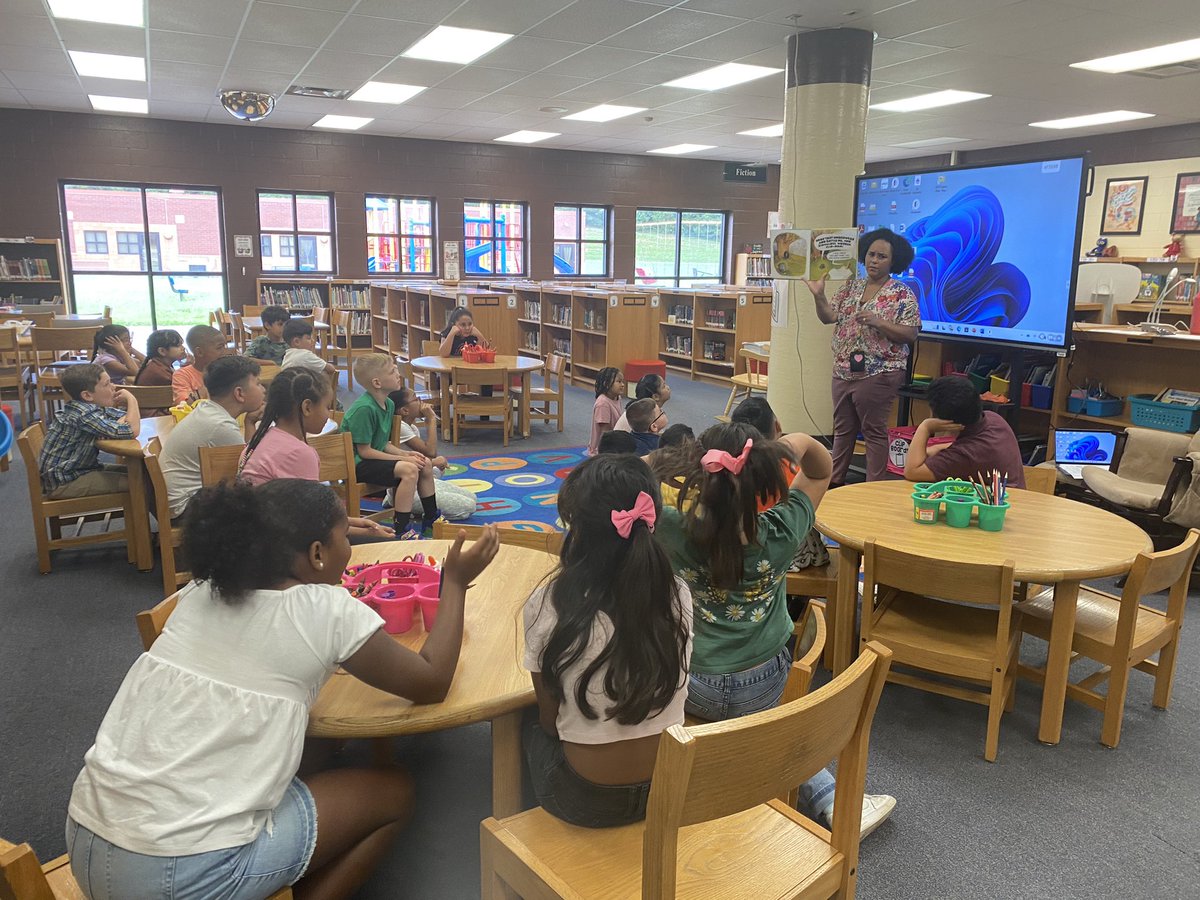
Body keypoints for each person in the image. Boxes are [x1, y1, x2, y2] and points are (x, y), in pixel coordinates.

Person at [65, 478, 500, 900]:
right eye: (343, 535)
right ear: (316, 554)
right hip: (179, 872)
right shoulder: (322, 609)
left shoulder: (199, 593)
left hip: (84, 838)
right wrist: (455, 582)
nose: (349, 547)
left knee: (318, 753)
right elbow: (431, 682)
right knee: (395, 792)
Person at [655, 422, 896, 838]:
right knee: (775, 723)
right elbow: (821, 471)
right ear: (766, 477)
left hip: (690, 682)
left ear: (700, 475)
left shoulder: (672, 528)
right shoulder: (784, 530)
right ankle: (831, 799)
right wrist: (799, 440)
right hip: (762, 684)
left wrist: (670, 458)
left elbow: (618, 482)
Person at [523, 455, 691, 827]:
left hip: (584, 800)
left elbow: (550, 723)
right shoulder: (678, 593)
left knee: (526, 726)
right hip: (669, 787)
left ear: (576, 529)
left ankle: (538, 836)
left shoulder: (548, 603)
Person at [806, 227, 921, 483]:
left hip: (880, 372)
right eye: (871, 254)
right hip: (843, 370)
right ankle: (834, 483)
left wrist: (879, 322)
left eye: (882, 256)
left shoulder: (902, 293)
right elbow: (829, 317)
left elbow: (911, 333)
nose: (874, 261)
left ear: (894, 261)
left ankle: (873, 487)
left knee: (873, 431)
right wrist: (819, 295)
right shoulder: (850, 287)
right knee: (843, 429)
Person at [238, 368, 395, 541]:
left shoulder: (262, 438)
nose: (328, 414)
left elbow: (299, 513)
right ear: (307, 407)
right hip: (277, 543)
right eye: (327, 407)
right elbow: (309, 523)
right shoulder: (299, 452)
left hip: (256, 534)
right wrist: (366, 532)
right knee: (383, 541)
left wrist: (350, 522)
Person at [341, 354, 439, 540]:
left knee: (423, 462)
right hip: (358, 465)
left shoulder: (389, 403)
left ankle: (431, 520)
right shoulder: (364, 409)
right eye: (392, 371)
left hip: (373, 459)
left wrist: (406, 453)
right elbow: (365, 451)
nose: (398, 374)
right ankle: (401, 530)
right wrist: (403, 459)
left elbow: (383, 443)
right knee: (409, 469)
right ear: (377, 382)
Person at [731, 395, 831, 571]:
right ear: (777, 426)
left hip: (732, 551)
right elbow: (818, 476)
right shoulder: (789, 466)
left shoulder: (721, 472)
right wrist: (802, 440)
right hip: (783, 549)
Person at [159, 355, 265, 520]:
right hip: (185, 508)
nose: (263, 389)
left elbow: (245, 457)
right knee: (267, 503)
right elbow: (248, 473)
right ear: (239, 393)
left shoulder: (207, 410)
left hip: (180, 500)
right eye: (258, 383)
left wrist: (250, 423)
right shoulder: (221, 426)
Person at [904, 375, 1026, 489]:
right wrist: (933, 450)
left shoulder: (966, 455)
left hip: (1000, 508)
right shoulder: (994, 419)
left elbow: (912, 471)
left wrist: (925, 427)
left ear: (947, 421)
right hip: (1017, 502)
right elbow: (962, 449)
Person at [39, 363, 140, 499]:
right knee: (139, 483)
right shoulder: (83, 414)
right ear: (87, 395)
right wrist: (132, 400)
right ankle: (155, 519)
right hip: (65, 481)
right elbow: (131, 430)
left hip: (81, 470)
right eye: (107, 384)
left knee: (141, 473)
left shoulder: (91, 407)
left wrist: (119, 425)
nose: (114, 387)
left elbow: (123, 417)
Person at [391, 386, 476, 521]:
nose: (421, 401)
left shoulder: (410, 426)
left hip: (418, 479)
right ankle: (395, 500)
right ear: (404, 410)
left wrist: (434, 462)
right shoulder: (400, 426)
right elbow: (431, 452)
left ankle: (402, 499)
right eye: (416, 399)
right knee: (468, 506)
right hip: (407, 489)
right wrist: (431, 420)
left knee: (472, 497)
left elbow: (428, 459)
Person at [134, 329, 187, 417]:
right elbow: (182, 388)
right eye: (178, 345)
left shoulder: (158, 365)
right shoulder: (159, 372)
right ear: (162, 351)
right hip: (156, 417)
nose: (183, 348)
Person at [173, 324, 228, 405]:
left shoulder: (229, 371)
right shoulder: (182, 375)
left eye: (225, 346)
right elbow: (183, 405)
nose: (225, 352)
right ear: (199, 352)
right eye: (219, 348)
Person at [586, 367, 624, 457]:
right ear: (606, 384)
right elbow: (605, 434)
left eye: (623, 381)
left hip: (614, 440)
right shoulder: (603, 404)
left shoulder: (617, 398)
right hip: (602, 449)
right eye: (618, 382)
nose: (622, 385)